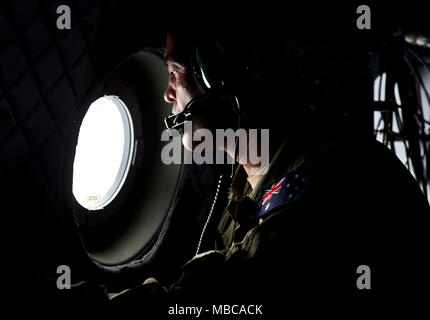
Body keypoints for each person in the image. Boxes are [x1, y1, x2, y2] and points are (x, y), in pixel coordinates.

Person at [110, 30, 430, 317]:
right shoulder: (244, 187)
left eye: (175, 72)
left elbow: (212, 301)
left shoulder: (333, 180)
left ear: (218, 76)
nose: (168, 94)